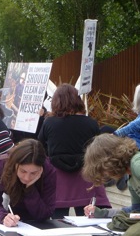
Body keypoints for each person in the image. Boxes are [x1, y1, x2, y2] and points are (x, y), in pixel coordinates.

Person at [38, 84, 111, 218]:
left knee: (56, 225)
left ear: (56, 101)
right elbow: (98, 150)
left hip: (57, 181)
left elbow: (40, 147)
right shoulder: (91, 123)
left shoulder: (49, 123)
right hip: (86, 178)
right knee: (89, 221)